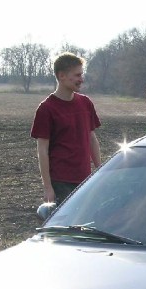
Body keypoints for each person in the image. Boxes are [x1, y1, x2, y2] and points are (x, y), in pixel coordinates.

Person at [31, 52, 101, 205]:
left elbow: (91, 139)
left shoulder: (86, 103)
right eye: (77, 75)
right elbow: (42, 150)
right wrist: (48, 187)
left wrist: (100, 170)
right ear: (61, 76)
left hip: (85, 179)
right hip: (60, 182)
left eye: (81, 75)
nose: (81, 79)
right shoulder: (46, 109)